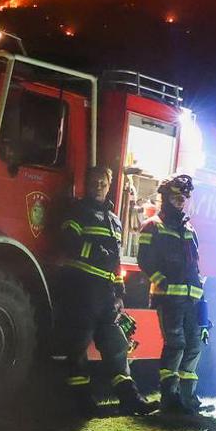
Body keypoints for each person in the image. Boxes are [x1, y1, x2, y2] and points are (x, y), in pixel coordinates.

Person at [54, 166, 151, 414]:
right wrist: (95, 251)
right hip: (82, 289)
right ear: (87, 185)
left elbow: (116, 260)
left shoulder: (114, 219)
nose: (99, 187)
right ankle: (81, 403)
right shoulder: (78, 211)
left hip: (107, 294)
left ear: (109, 187)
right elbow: (67, 242)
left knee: (116, 346)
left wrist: (119, 290)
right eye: (95, 182)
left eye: (103, 183)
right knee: (77, 346)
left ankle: (130, 399)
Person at [138, 173, 213, 415]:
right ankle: (169, 398)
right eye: (176, 197)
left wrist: (200, 294)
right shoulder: (153, 225)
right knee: (176, 345)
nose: (181, 201)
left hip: (191, 297)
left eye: (184, 198)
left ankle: (188, 400)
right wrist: (162, 281)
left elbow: (195, 264)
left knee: (194, 346)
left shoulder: (189, 228)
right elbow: (144, 260)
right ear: (165, 197)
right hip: (169, 297)